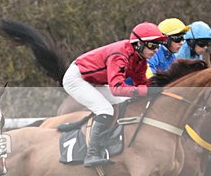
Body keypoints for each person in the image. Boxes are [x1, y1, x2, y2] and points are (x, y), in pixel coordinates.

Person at [62, 22, 167, 167]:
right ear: (138, 44)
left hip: (94, 80)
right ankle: (91, 154)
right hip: (77, 78)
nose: (156, 50)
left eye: (158, 46)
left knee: (123, 103)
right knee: (105, 109)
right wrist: (147, 91)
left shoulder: (140, 60)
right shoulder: (120, 55)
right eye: (152, 45)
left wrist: (161, 89)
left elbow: (142, 83)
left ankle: (107, 142)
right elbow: (116, 88)